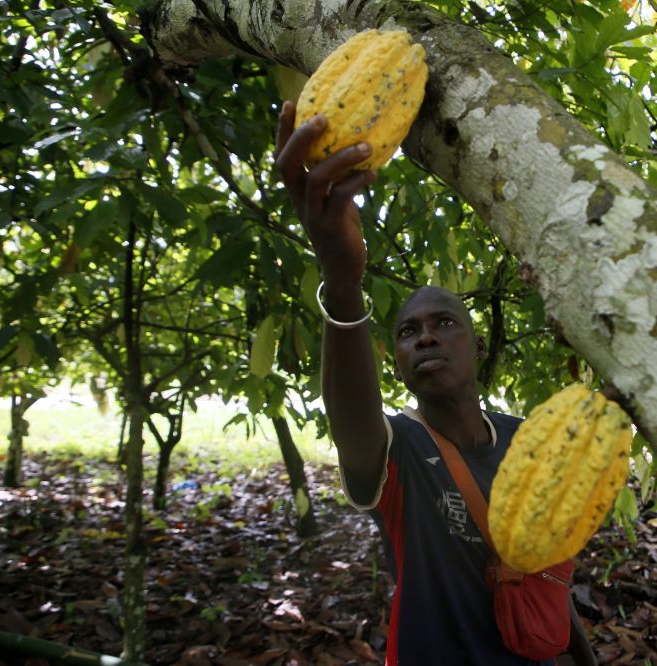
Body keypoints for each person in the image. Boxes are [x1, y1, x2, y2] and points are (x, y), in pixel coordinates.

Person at [273, 101, 596, 665]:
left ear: (477, 346)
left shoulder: (528, 441)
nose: (425, 338)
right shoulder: (398, 449)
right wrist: (341, 281)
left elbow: (546, 570)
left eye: (444, 323)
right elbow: (350, 420)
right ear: (396, 360)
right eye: (407, 332)